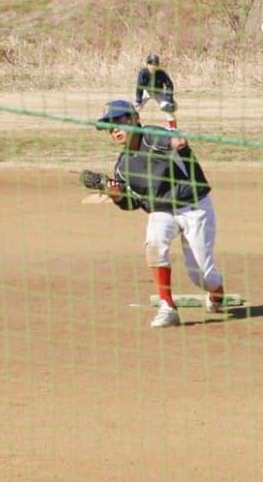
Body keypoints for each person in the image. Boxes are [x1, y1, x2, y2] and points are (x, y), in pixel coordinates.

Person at [94, 99, 228, 328]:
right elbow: (132, 203)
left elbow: (173, 139)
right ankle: (168, 307)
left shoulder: (151, 136)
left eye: (119, 121)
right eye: (109, 125)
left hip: (193, 206)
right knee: (154, 245)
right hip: (161, 211)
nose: (114, 129)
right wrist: (115, 194)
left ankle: (217, 293)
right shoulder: (122, 166)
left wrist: (176, 141)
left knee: (203, 277)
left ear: (135, 120)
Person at [134, 54, 177, 129]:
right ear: (147, 64)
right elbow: (139, 86)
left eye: (155, 64)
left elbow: (169, 85)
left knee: (168, 109)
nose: (153, 66)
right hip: (146, 92)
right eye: (151, 64)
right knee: (135, 109)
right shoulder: (143, 72)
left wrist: (169, 99)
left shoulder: (161, 73)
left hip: (159, 92)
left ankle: (173, 129)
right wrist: (138, 99)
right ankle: (134, 125)